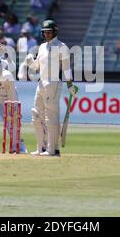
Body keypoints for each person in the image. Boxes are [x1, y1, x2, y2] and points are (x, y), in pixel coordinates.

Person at [23, 20, 78, 156]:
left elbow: (66, 68)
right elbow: (37, 67)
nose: (46, 34)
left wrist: (70, 84)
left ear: (54, 32)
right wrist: (30, 62)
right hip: (41, 83)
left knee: (51, 116)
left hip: (53, 83)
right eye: (45, 32)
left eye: (49, 32)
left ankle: (52, 149)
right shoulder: (41, 47)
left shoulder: (61, 46)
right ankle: (41, 147)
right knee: (36, 115)